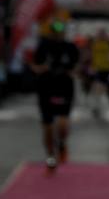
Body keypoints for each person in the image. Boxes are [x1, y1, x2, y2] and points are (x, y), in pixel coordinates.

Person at [30, 17, 80, 172]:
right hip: (46, 88)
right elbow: (34, 65)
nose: (58, 34)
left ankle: (63, 144)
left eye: (61, 30)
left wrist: (73, 72)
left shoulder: (71, 47)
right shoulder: (43, 46)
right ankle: (51, 159)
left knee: (63, 126)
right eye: (55, 30)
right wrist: (41, 68)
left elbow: (78, 66)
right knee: (48, 128)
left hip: (64, 88)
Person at [86, 28, 109, 114]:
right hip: (98, 70)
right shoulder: (94, 44)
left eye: (103, 34)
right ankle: (96, 107)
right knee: (97, 89)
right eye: (100, 34)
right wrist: (91, 67)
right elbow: (90, 56)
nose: (102, 36)